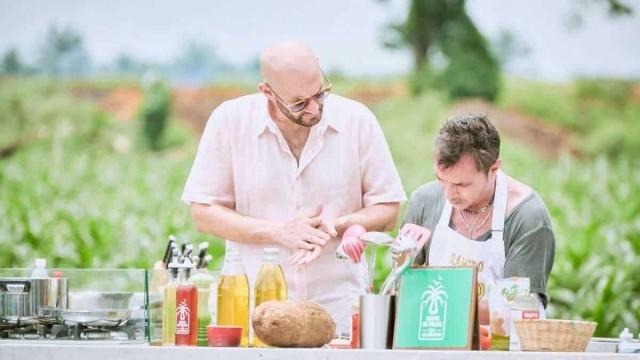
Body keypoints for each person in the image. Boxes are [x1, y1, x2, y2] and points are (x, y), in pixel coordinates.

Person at [180, 40, 406, 334]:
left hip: (339, 308)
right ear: (267, 92)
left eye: (320, 94)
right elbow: (204, 213)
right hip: (251, 310)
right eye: (299, 103)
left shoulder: (358, 120)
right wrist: (279, 232)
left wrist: (335, 226)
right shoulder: (229, 121)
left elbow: (388, 209)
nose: (314, 108)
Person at [401, 114, 555, 348]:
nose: (449, 194)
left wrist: (447, 304)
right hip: (434, 345)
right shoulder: (424, 201)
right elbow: (405, 287)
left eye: (462, 185)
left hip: (502, 348)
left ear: (494, 168)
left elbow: (521, 306)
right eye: (442, 180)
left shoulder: (527, 216)